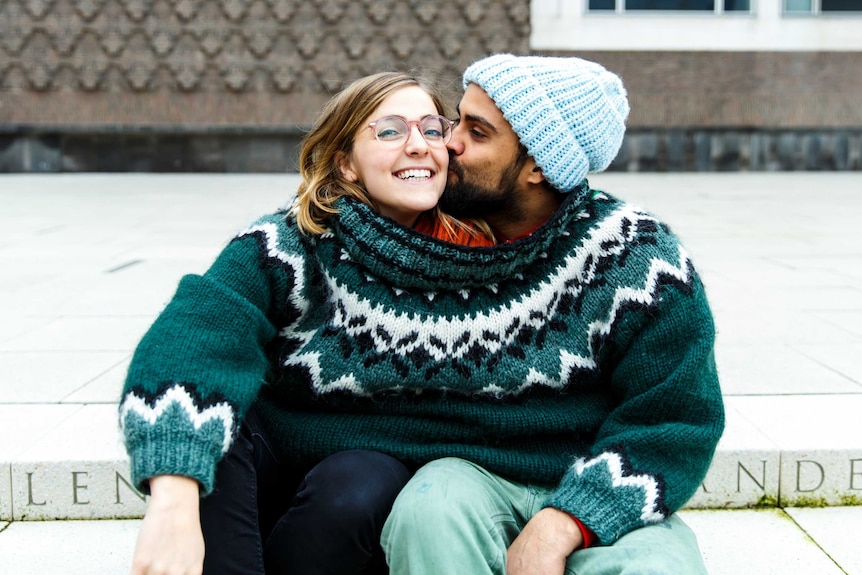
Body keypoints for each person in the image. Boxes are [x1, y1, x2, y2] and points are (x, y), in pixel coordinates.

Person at [121, 71, 493, 575]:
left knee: (363, 481)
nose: (418, 146)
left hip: (358, 500)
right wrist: (172, 498)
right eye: (389, 131)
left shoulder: (482, 258)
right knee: (219, 413)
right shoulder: (289, 243)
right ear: (346, 164)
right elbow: (193, 337)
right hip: (267, 472)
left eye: (431, 129)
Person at [379, 54, 725, 574]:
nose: (447, 143)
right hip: (470, 475)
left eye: (477, 131)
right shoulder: (420, 236)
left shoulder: (640, 260)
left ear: (538, 164)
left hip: (601, 478)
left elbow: (676, 420)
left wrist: (570, 518)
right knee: (428, 511)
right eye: (457, 120)